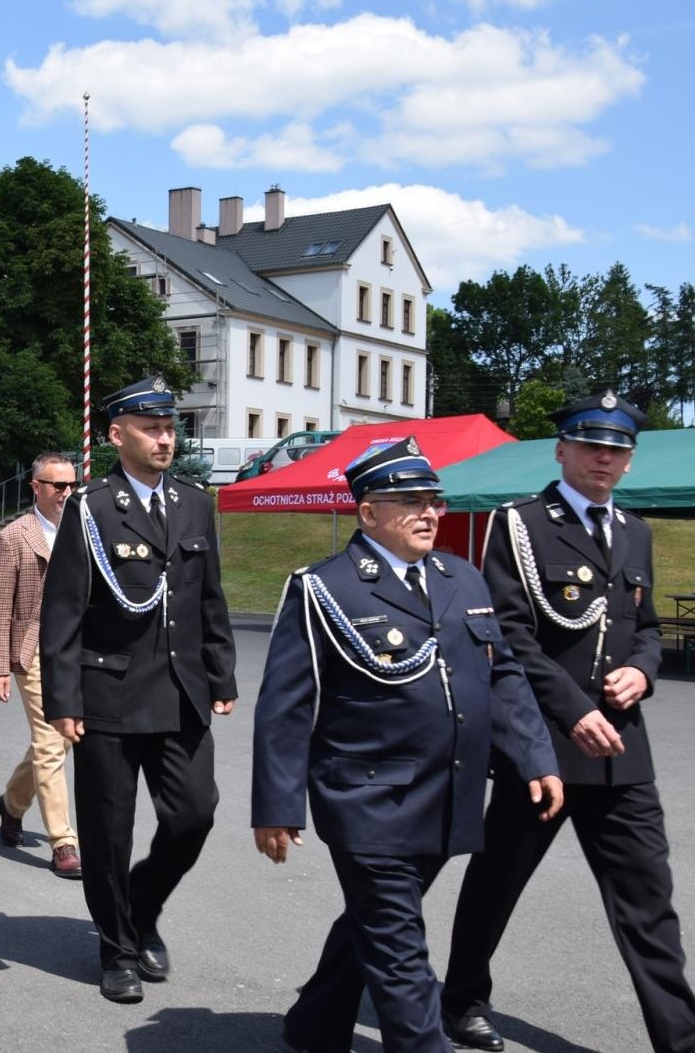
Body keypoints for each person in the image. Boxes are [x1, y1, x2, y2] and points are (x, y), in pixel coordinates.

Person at [252, 437, 561, 1053]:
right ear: (368, 513)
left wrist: (535, 755)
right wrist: (278, 806)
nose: (429, 513)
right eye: (410, 501)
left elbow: (502, 676)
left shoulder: (461, 578)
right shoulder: (325, 588)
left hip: (448, 795)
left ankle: (315, 1024)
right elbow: (285, 707)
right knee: (401, 954)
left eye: (434, 501)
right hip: (368, 800)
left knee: (375, 922)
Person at [441, 392, 695, 1053]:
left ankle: (681, 1035)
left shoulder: (635, 530)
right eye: (591, 446)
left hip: (623, 747)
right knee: (498, 883)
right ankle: (462, 998)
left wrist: (644, 669)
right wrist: (574, 709)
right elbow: (510, 636)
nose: (603, 459)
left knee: (649, 902)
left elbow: (643, 627)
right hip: (544, 745)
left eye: (616, 450)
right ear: (562, 450)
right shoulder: (520, 524)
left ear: (630, 461)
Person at [39, 376, 237, 1004]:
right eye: (151, 428)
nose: (165, 438)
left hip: (182, 691)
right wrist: (63, 701)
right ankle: (117, 948)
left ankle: (141, 904)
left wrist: (221, 671)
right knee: (108, 831)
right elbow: (63, 611)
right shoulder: (92, 507)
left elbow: (211, 596)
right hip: (110, 694)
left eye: (169, 427)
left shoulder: (195, 503)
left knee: (194, 814)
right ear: (116, 435)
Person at [0, 452, 81, 879]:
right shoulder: (15, 536)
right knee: (49, 742)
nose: (66, 493)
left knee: (60, 742)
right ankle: (64, 842)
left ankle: (11, 803)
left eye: (71, 485)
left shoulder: (86, 529)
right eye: (57, 485)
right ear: (36, 487)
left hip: (80, 651)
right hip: (34, 653)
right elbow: (0, 608)